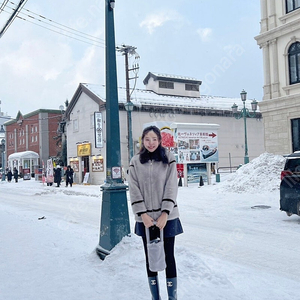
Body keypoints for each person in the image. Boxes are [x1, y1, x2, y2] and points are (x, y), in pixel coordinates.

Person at [128, 125, 183, 300]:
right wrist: (142, 214)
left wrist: (165, 213)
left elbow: (171, 186)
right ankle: (155, 297)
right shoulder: (135, 161)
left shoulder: (169, 158)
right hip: (146, 219)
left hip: (167, 217)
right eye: (147, 139)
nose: (151, 143)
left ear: (159, 141)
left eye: (154, 139)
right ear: (142, 141)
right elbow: (134, 188)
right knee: (150, 257)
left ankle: (172, 297)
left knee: (168, 256)